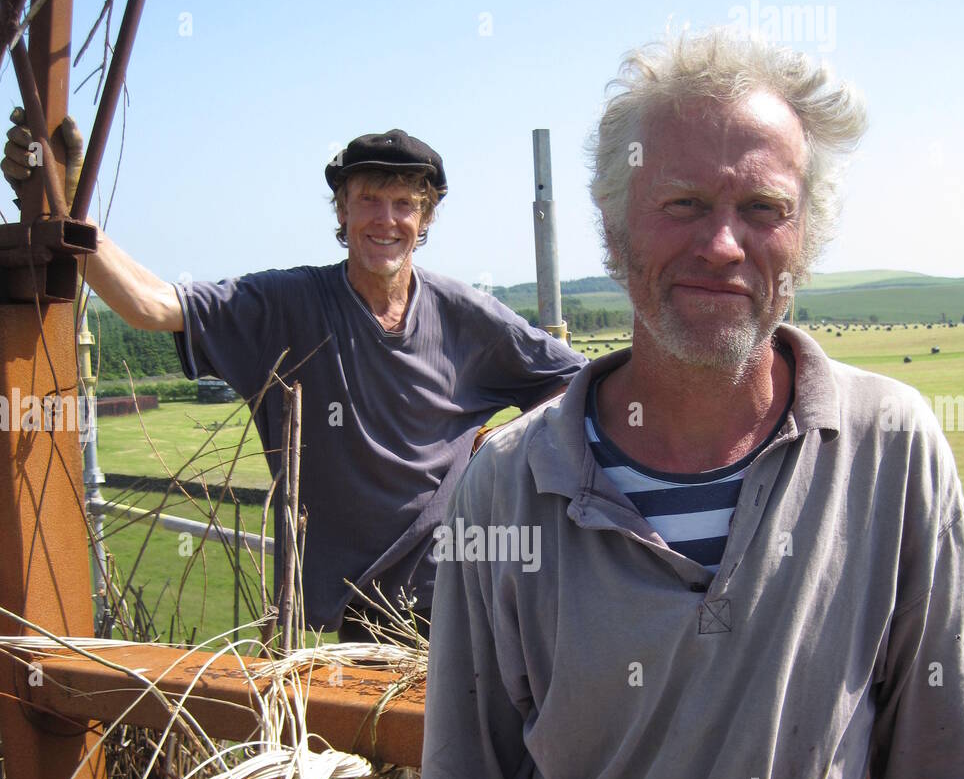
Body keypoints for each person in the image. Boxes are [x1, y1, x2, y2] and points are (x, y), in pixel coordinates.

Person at [381, 28, 964, 779]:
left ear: (805, 235)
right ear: (613, 232)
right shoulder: (513, 483)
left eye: (764, 206)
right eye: (683, 203)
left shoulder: (889, 452)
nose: (722, 243)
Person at [2, 124, 585, 636]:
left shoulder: (462, 312)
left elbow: (574, 379)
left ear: (425, 217)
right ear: (342, 211)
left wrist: (500, 449)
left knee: (473, 759)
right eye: (368, 200)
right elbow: (152, 306)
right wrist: (71, 215)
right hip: (363, 614)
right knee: (378, 759)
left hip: (466, 596)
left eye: (405, 203)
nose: (387, 220)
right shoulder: (288, 305)